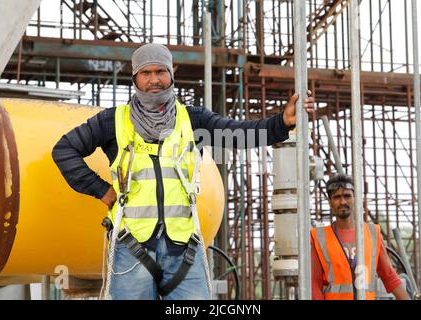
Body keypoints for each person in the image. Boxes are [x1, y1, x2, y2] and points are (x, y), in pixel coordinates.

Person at [52, 43, 315, 300]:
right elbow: (64, 150)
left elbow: (238, 134)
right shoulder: (112, 121)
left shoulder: (193, 119)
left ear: (171, 73)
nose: (154, 79)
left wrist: (282, 123)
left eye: (160, 71)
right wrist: (101, 191)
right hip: (131, 247)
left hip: (183, 249)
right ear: (134, 78)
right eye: (146, 73)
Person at [310, 174, 410, 300]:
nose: (343, 202)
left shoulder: (372, 233)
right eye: (336, 197)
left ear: (355, 199)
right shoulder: (319, 237)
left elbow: (389, 276)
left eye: (347, 196)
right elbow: (314, 284)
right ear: (330, 203)